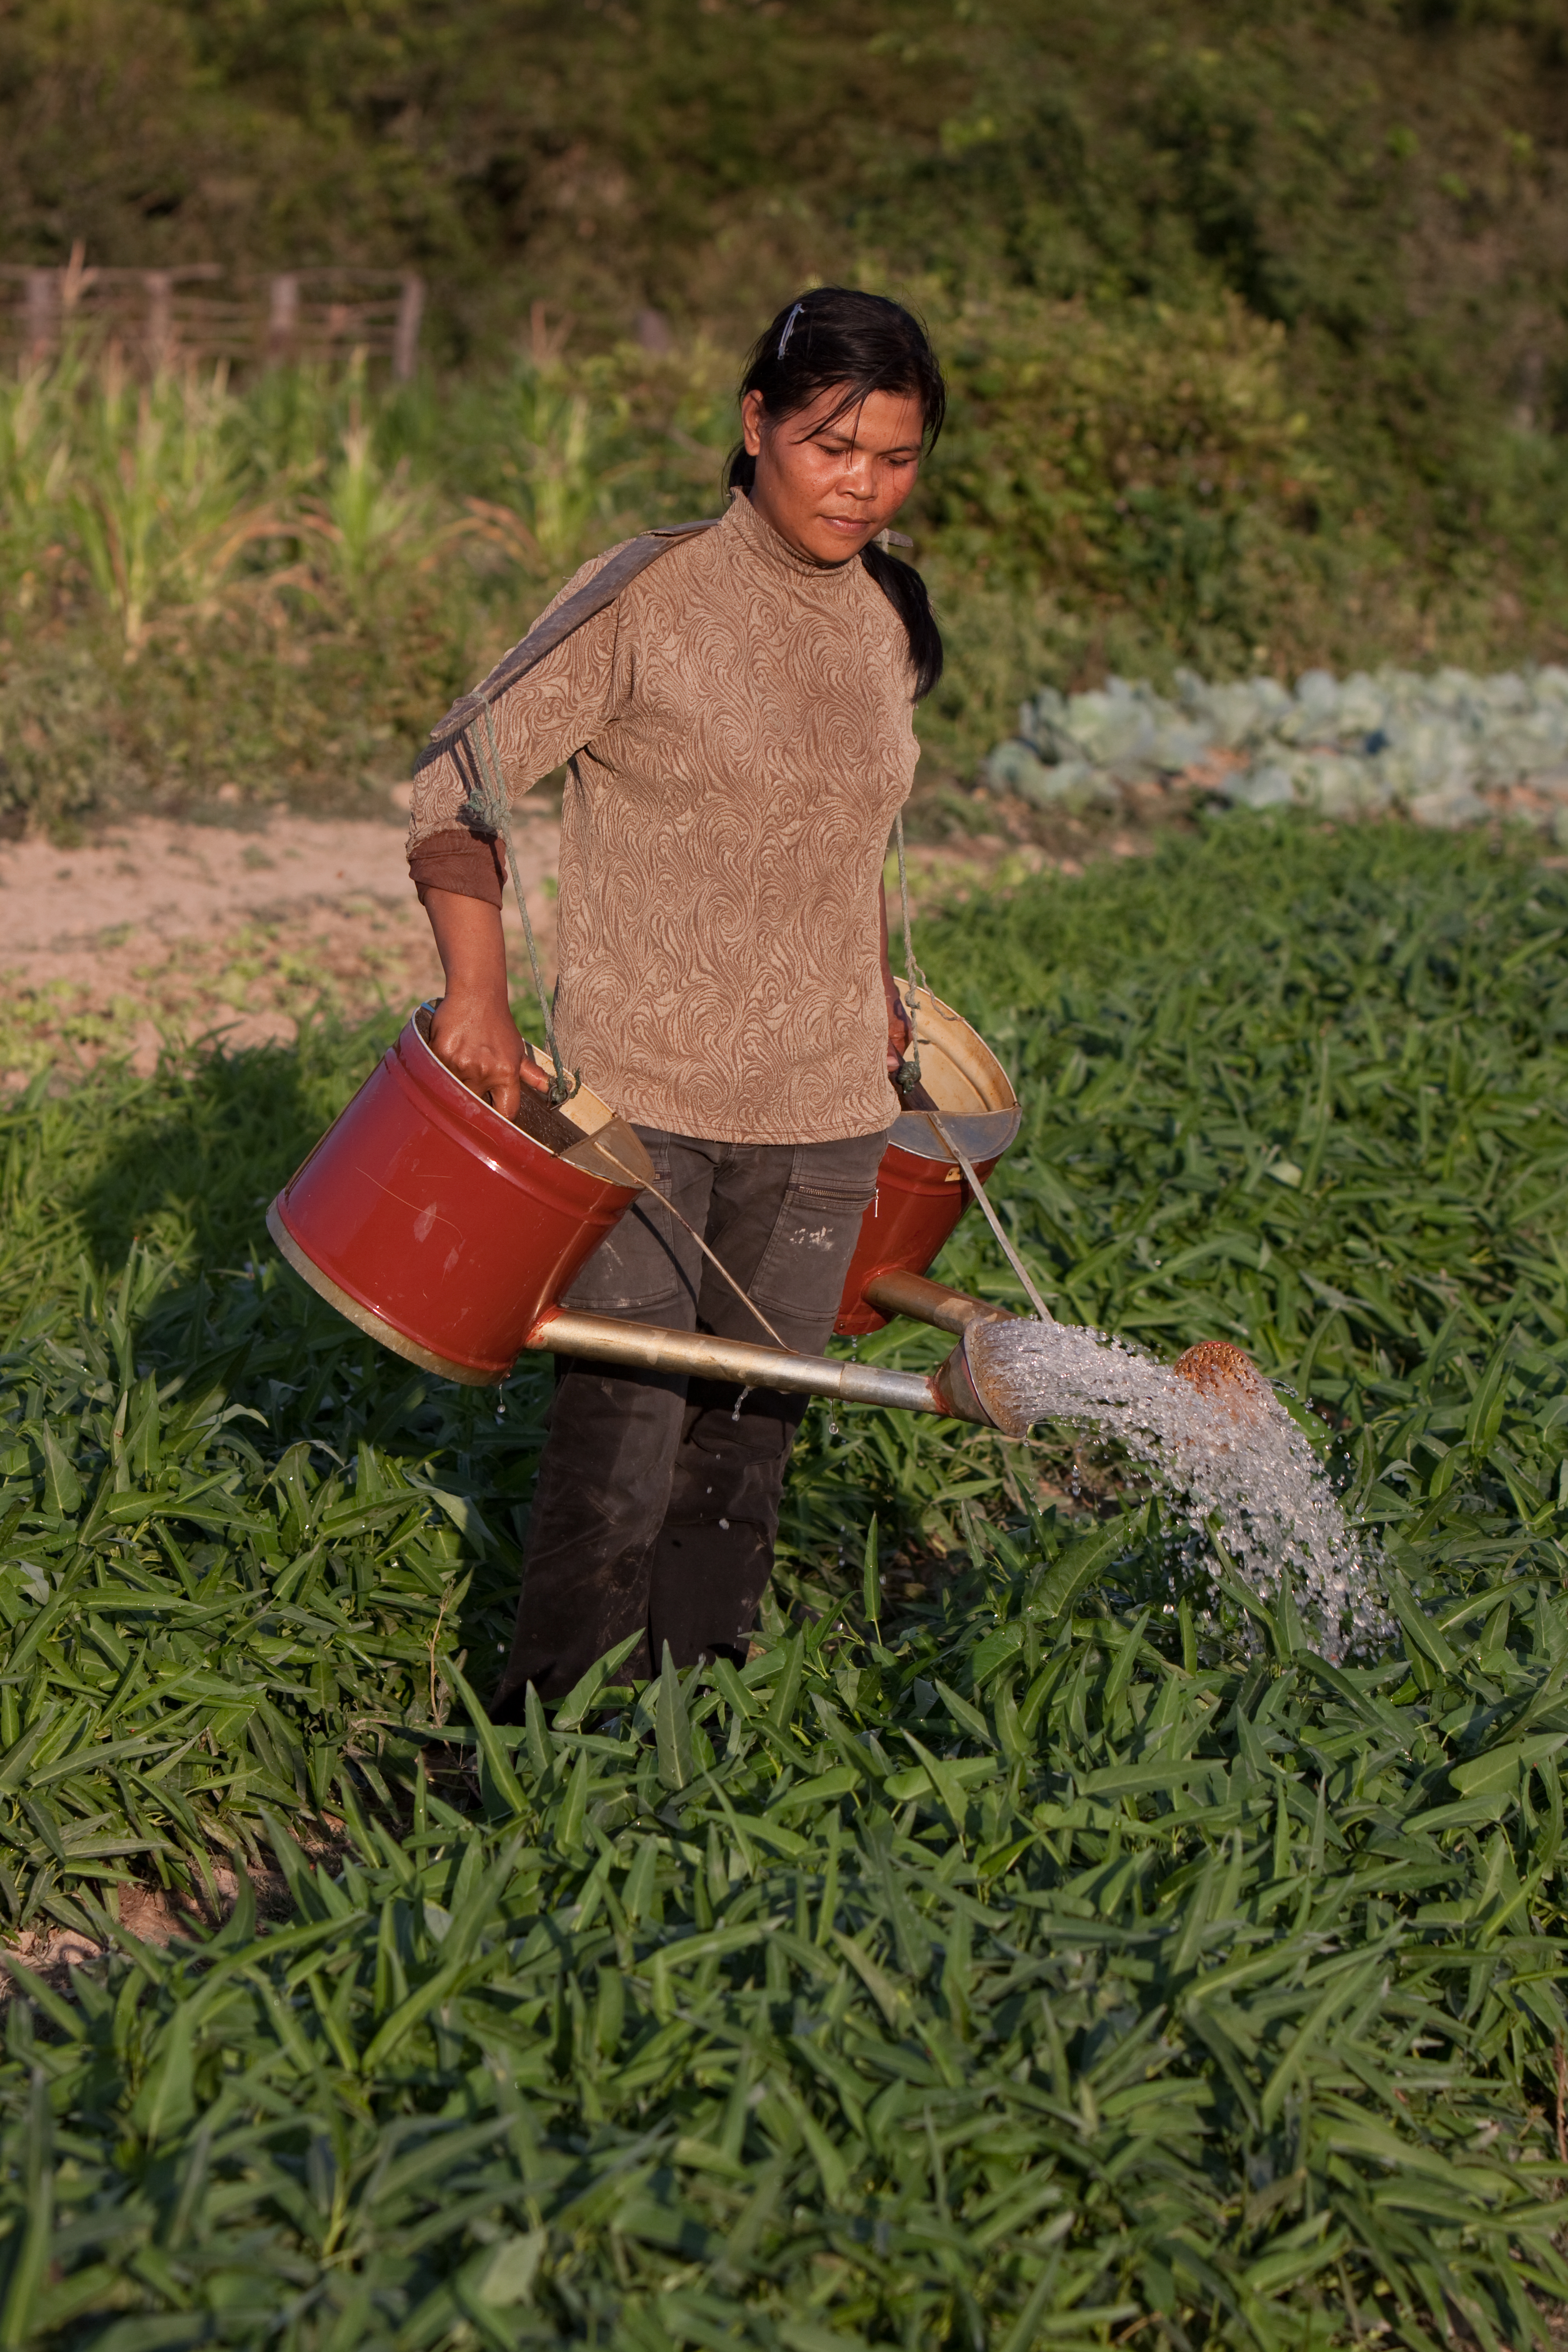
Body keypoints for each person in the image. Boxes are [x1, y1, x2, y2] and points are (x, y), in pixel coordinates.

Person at [404, 286, 946, 1710]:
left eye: (895, 458)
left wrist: (884, 989)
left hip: (827, 1111)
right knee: (625, 1432)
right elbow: (451, 780)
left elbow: (853, 834)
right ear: (757, 424)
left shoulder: (888, 615)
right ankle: (539, 1751)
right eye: (834, 446)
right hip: (641, 1101)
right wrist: (478, 996)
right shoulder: (647, 595)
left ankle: (690, 1742)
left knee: (755, 1431)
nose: (863, 486)